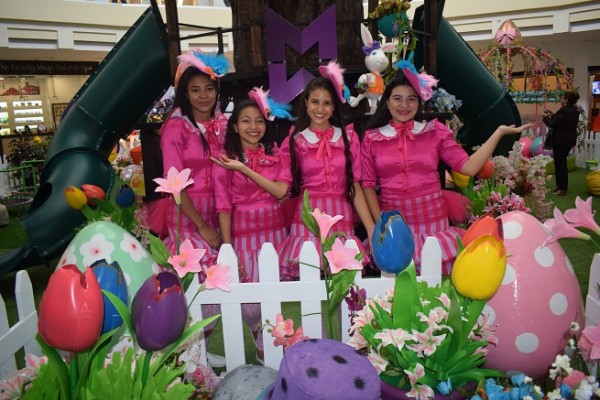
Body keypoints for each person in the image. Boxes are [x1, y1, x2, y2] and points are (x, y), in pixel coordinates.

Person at [361, 61, 531, 274]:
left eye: (411, 99)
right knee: (398, 286)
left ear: (419, 103)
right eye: (397, 98)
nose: (404, 105)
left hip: (433, 223)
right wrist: (382, 225)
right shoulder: (372, 138)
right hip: (394, 224)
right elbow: (367, 185)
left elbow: (468, 167)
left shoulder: (435, 132)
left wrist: (498, 133)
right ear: (387, 102)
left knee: (434, 284)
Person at [211, 90, 291, 362]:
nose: (253, 127)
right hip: (243, 237)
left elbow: (280, 192)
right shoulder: (224, 160)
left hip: (276, 235)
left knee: (272, 294)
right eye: (246, 120)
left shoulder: (276, 154)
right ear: (235, 126)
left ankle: (266, 342)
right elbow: (223, 207)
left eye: (258, 120)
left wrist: (244, 169)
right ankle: (257, 331)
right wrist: (228, 250)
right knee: (250, 306)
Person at [277, 60, 375, 281]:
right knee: (310, 285)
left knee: (343, 287)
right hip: (307, 221)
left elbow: (354, 186)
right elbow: (283, 187)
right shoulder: (295, 141)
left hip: (342, 218)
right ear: (306, 103)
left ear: (334, 107)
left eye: (327, 103)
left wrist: (370, 228)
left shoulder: (349, 138)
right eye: (315, 102)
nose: (320, 109)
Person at [156, 48, 231, 264]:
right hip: (186, 213)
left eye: (209, 88)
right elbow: (175, 185)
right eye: (196, 90)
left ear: (217, 90)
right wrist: (201, 226)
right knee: (198, 265)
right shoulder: (176, 128)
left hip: (219, 211)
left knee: (225, 265)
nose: (203, 96)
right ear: (186, 94)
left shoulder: (223, 124)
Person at [543, 90, 580, 196]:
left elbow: (552, 124)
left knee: (560, 164)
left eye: (563, 97)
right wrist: (553, 115)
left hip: (561, 141)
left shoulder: (563, 111)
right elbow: (563, 121)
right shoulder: (574, 111)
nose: (561, 99)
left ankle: (562, 188)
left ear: (566, 99)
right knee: (560, 163)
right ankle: (559, 186)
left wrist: (545, 118)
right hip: (568, 141)